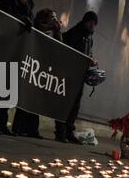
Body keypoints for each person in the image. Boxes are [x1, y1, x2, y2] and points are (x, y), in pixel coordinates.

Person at [0, 0, 35, 135]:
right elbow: (4, 17)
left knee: (8, 90)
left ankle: (2, 124)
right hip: (3, 50)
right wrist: (22, 19)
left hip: (18, 52)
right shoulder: (5, 2)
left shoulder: (30, 6)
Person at [12, 8, 62, 138]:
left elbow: (59, 46)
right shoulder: (36, 27)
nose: (55, 20)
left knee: (35, 101)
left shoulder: (53, 31)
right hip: (31, 65)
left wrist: (58, 31)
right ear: (45, 18)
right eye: (52, 17)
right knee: (25, 99)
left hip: (42, 69)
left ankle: (32, 130)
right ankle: (18, 128)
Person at [55, 11, 99, 144]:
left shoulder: (89, 37)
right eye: (91, 22)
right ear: (85, 21)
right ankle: (61, 132)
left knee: (75, 105)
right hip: (70, 73)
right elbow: (71, 51)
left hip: (80, 75)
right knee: (65, 103)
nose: (93, 25)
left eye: (95, 23)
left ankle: (69, 131)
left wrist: (91, 61)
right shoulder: (75, 33)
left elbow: (87, 53)